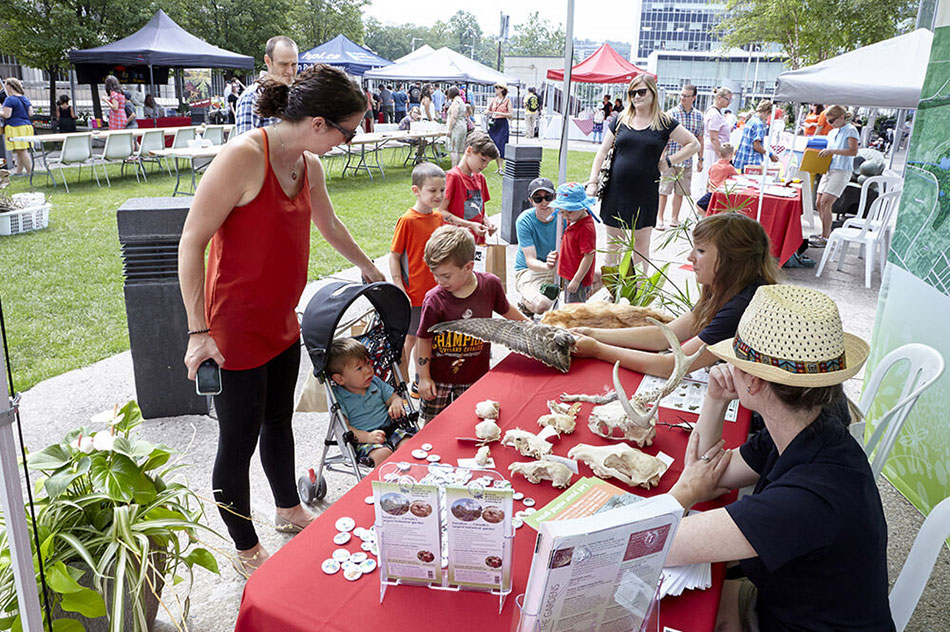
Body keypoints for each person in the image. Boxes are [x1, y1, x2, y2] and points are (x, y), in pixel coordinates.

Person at [177, 64, 384, 578]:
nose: (349, 140)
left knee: (278, 422)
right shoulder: (243, 158)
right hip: (233, 331)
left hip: (281, 324)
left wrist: (370, 268)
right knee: (237, 441)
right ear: (318, 123)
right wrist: (198, 332)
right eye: (348, 130)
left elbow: (329, 223)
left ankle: (288, 508)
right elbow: (191, 243)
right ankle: (245, 548)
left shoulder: (308, 165)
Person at [665, 284, 891, 631]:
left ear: (753, 384)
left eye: (733, 362)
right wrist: (714, 399)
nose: (726, 367)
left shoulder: (807, 499)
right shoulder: (806, 428)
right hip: (783, 602)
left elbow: (655, 543)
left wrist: (683, 493)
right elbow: (713, 472)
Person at [572, 212, 780, 377]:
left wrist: (598, 350)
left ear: (731, 260)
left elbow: (672, 366)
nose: (690, 257)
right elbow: (665, 335)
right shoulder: (727, 288)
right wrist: (592, 334)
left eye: (700, 250)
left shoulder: (741, 306)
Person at [584, 74, 700, 269]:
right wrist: (593, 181)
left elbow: (693, 144)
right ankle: (612, 295)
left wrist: (669, 162)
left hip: (645, 194)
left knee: (640, 249)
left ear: (652, 93)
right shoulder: (622, 118)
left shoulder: (664, 121)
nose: (636, 96)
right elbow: (602, 151)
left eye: (641, 91)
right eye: (632, 93)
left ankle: (638, 296)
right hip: (616, 192)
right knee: (613, 247)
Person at [415, 226, 527, 423]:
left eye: (446, 275)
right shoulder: (434, 300)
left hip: (475, 375)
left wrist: (532, 328)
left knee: (471, 421)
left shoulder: (490, 286)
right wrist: (423, 377)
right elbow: (423, 339)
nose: (439, 281)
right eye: (435, 274)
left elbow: (507, 311)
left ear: (468, 267)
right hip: (438, 379)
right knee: (434, 425)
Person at [389, 162, 446, 391]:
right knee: (410, 340)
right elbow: (394, 256)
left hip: (436, 291)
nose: (438, 195)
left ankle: (420, 378)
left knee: (430, 338)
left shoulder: (439, 218)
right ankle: (401, 384)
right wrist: (398, 286)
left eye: (442, 190)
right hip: (413, 294)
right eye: (432, 191)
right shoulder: (407, 220)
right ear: (416, 190)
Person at [327, 338, 414, 468]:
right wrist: (366, 436)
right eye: (359, 368)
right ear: (339, 379)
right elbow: (345, 428)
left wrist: (396, 403)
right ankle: (388, 482)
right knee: (382, 454)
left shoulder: (375, 382)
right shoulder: (339, 397)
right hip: (365, 440)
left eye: (368, 363)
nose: (368, 370)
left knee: (410, 444)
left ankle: (414, 473)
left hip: (391, 428)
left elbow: (393, 397)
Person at [810, 105, 859, 248]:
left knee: (825, 202)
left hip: (842, 170)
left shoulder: (850, 130)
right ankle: (826, 234)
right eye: (828, 121)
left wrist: (832, 151)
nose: (830, 124)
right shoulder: (832, 132)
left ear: (841, 117)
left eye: (832, 121)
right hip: (829, 169)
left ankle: (825, 237)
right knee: (819, 203)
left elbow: (853, 151)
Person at [657, 83, 704, 230]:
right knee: (664, 190)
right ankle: (659, 218)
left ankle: (674, 218)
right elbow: (663, 138)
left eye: (686, 96)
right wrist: (660, 157)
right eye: (681, 95)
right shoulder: (671, 113)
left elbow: (700, 138)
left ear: (694, 98)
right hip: (670, 158)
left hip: (687, 161)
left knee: (681, 191)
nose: (682, 98)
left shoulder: (698, 116)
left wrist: (700, 159)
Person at [439, 131, 499, 244]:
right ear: (469, 151)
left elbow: (479, 208)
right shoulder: (453, 177)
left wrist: (487, 222)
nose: (485, 165)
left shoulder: (480, 178)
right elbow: (441, 211)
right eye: (482, 160)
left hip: (477, 241)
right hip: (455, 241)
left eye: (488, 162)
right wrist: (470, 225)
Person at [232, 36, 298, 137]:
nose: (289, 71)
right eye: (283, 64)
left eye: (294, 64)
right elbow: (245, 149)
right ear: (268, 61)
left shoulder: (297, 94)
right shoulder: (252, 96)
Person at [515, 177, 558, 315]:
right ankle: (527, 304)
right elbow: (531, 261)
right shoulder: (524, 220)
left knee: (604, 276)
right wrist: (548, 265)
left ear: (555, 197)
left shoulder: (564, 216)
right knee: (542, 305)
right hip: (530, 271)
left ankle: (557, 294)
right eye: (538, 199)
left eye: (548, 197)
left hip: (560, 267)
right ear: (531, 201)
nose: (544, 202)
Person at [552, 183, 599, 304]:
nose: (566, 216)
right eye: (562, 212)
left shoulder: (586, 228)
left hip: (578, 277)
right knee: (569, 303)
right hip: (569, 273)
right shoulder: (573, 219)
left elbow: (588, 256)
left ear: (582, 207)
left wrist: (577, 280)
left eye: (570, 212)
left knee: (574, 309)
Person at [733, 99, 779, 173]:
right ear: (767, 112)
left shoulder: (750, 121)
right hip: (752, 160)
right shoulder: (759, 124)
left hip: (744, 159)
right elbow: (756, 146)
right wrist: (770, 155)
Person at [700, 87, 733, 191]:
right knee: (712, 178)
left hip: (714, 149)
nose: (729, 102)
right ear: (719, 98)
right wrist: (720, 155)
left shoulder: (716, 113)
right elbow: (714, 137)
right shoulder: (714, 114)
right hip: (713, 150)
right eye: (728, 99)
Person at [2, 78, 34, 175]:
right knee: (21, 150)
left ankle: (30, 172)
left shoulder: (9, 99)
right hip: (27, 126)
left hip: (15, 127)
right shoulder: (24, 98)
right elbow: (31, 113)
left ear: (10, 86)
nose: (4, 88)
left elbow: (7, 115)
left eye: (5, 85)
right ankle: (19, 171)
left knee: (21, 151)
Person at [695, 143, 738, 212]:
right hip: (722, 194)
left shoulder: (714, 165)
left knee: (698, 205)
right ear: (731, 155)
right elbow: (737, 178)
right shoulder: (729, 167)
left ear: (720, 154)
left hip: (711, 192)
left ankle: (706, 216)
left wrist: (707, 190)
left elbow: (709, 178)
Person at [486, 82, 512, 174]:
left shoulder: (507, 101)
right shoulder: (494, 100)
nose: (496, 89)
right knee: (494, 144)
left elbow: (510, 114)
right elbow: (489, 109)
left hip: (502, 124)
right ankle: (498, 167)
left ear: (502, 89)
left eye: (497, 88)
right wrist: (487, 112)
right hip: (494, 123)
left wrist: (500, 114)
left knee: (501, 144)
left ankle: (501, 168)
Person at [444, 86, 468, 167]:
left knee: (454, 149)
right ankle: (458, 169)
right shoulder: (461, 101)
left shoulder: (455, 103)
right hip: (462, 126)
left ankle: (454, 169)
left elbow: (453, 117)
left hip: (456, 127)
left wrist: (449, 130)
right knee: (458, 150)